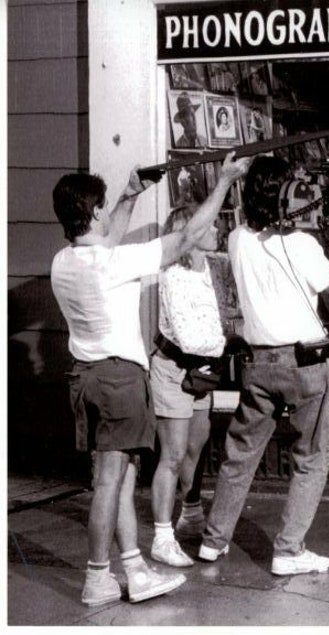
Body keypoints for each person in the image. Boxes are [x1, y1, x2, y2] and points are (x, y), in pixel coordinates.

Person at [50, 151, 251, 606]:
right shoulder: (113, 263)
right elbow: (189, 237)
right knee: (109, 482)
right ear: (95, 211)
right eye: (105, 206)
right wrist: (223, 182)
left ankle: (134, 568)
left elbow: (103, 240)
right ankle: (98, 577)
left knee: (116, 477)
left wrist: (128, 195)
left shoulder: (64, 262)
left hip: (84, 378)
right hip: (120, 380)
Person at [198, 156, 329, 576]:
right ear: (287, 196)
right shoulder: (302, 245)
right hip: (304, 362)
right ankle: (288, 550)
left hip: (259, 362)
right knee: (312, 455)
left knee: (241, 452)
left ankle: (214, 540)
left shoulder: (236, 239)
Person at [147, 204, 228, 568]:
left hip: (202, 371)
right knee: (173, 453)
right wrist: (231, 343)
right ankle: (162, 537)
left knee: (196, 444)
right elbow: (190, 336)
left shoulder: (210, 267)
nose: (218, 229)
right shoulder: (172, 275)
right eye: (210, 225)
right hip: (174, 368)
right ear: (190, 233)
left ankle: (191, 512)